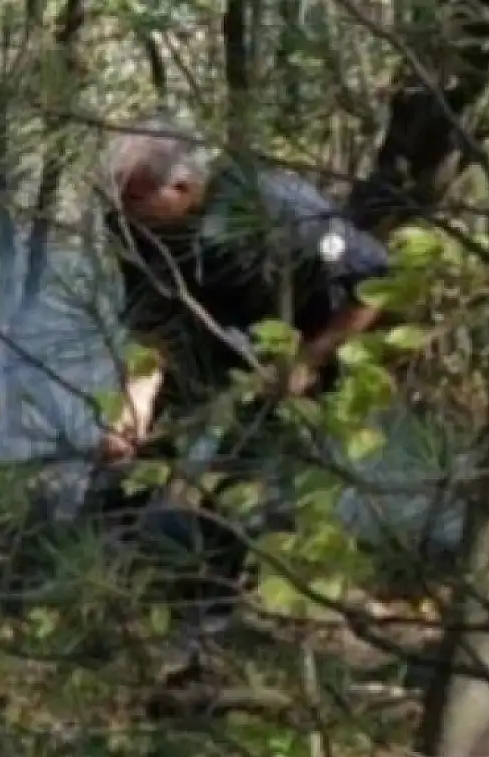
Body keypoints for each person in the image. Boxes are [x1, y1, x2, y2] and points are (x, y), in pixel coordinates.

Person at [87, 117, 392, 668]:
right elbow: (151, 321)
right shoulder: (129, 224)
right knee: (127, 463)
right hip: (202, 343)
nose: (125, 215)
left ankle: (200, 635)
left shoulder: (278, 207)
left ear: (181, 189)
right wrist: (134, 401)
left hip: (299, 351)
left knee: (242, 490)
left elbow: (373, 283)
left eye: (135, 199)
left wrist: (307, 361)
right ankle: (93, 587)